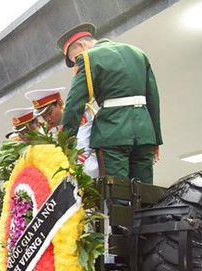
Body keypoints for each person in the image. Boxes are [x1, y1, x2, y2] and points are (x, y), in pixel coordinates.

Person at [57, 22, 162, 184]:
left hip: (112, 133)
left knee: (117, 193)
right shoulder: (137, 53)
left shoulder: (87, 58)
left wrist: (65, 144)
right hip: (144, 133)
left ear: (81, 44)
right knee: (145, 193)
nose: (76, 61)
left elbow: (74, 104)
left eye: (74, 56)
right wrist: (155, 138)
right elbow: (153, 98)